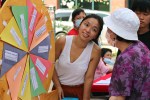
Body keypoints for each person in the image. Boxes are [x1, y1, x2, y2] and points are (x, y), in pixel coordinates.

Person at [52, 14, 104, 100]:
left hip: (78, 92)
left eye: (94, 29)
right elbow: (50, 64)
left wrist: (86, 98)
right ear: (80, 25)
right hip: (58, 90)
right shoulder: (62, 41)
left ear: (96, 35)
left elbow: (89, 78)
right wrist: (57, 86)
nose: (88, 30)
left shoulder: (96, 51)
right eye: (86, 25)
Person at [103, 8, 150, 100]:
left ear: (113, 33)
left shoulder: (125, 58)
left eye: (108, 29)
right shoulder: (140, 47)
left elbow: (118, 97)